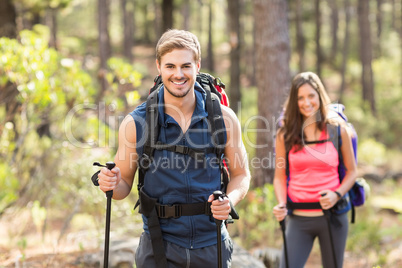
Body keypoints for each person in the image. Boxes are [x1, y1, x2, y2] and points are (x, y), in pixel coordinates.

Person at [97, 29, 251, 268]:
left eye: (185, 66)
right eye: (170, 66)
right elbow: (122, 186)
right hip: (160, 246)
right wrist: (111, 183)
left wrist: (228, 201)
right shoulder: (135, 123)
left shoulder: (224, 118)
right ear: (158, 66)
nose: (178, 74)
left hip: (212, 246)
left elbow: (241, 175)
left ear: (197, 66)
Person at [272, 72, 357, 268]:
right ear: (294, 101)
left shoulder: (337, 129)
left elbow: (352, 172)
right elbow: (279, 176)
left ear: (320, 96)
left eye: (311, 96)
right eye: (300, 98)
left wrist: (336, 194)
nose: (306, 102)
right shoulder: (285, 133)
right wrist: (281, 204)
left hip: (333, 217)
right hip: (298, 218)